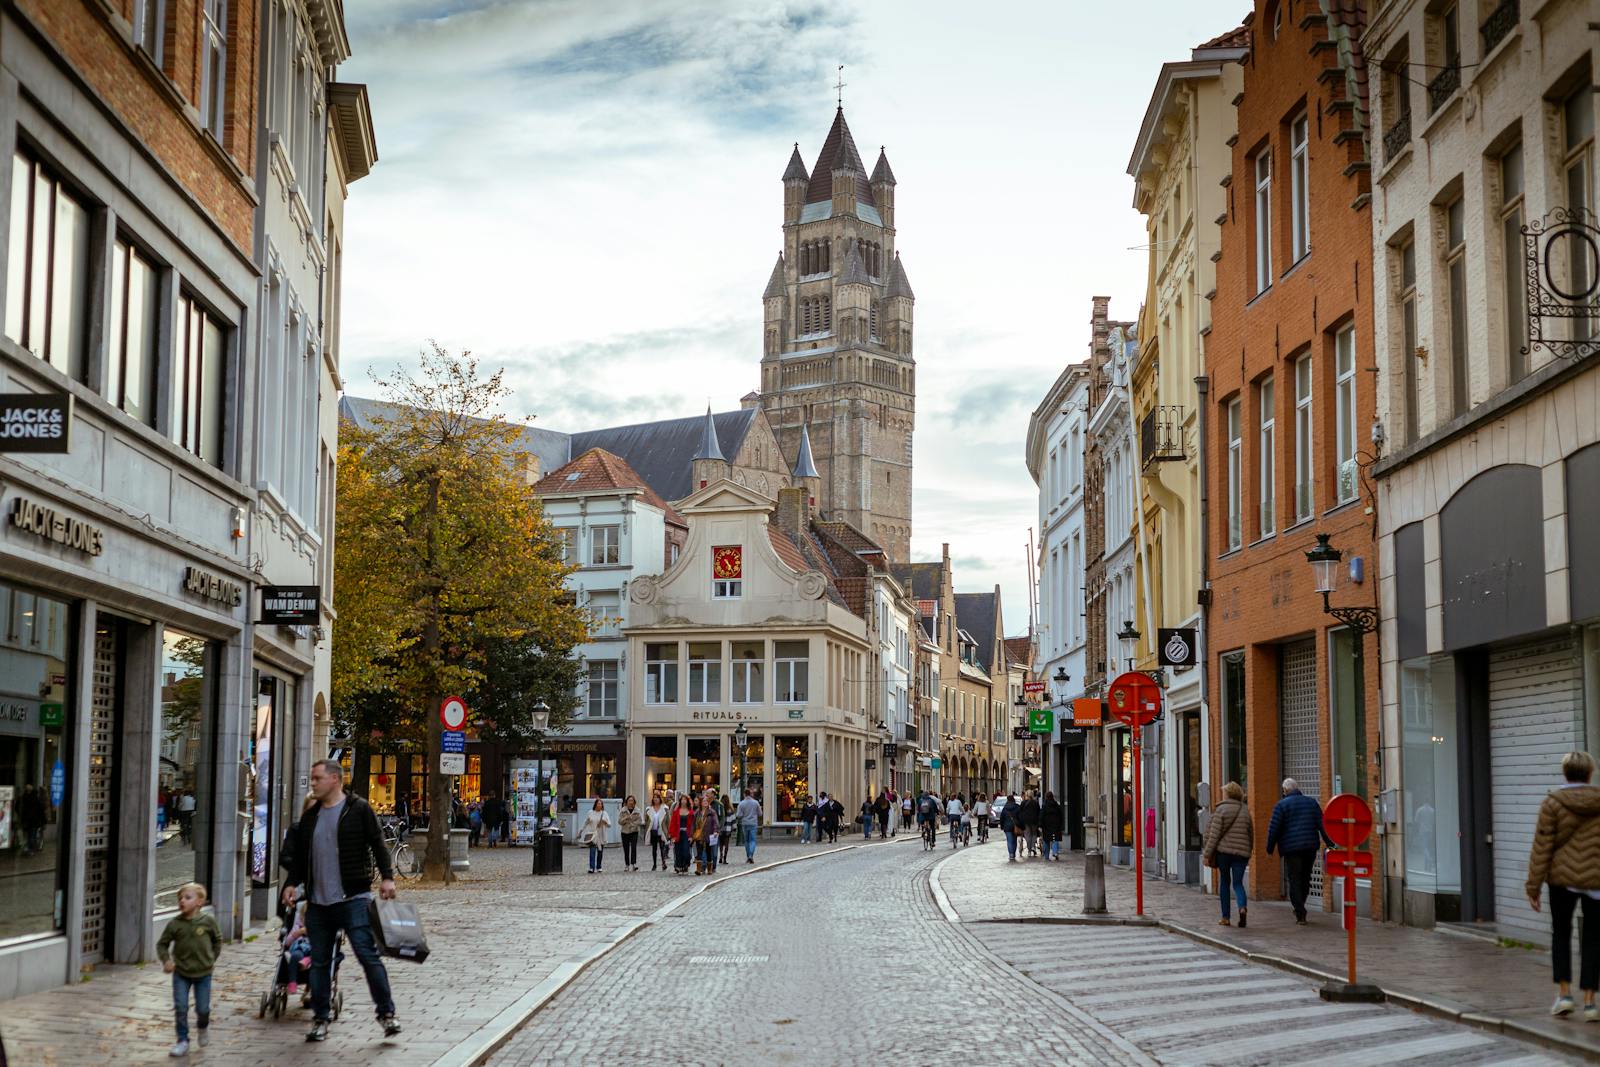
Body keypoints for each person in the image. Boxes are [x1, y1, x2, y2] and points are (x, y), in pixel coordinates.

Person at [281, 758, 400, 1043]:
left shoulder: (358, 810)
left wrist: (387, 876)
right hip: (318, 905)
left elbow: (378, 843)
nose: (313, 783)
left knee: (367, 956)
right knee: (320, 963)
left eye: (317, 778)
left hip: (354, 899)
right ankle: (320, 1019)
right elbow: (301, 860)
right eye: (312, 779)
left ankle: (387, 1014)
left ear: (335, 779)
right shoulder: (310, 818)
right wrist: (291, 884)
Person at [1526, 750, 1600, 1020]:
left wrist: (1533, 886)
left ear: (1565, 773)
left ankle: (1565, 995)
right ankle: (1591, 1001)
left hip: (1562, 881)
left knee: (1561, 934)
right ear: (1590, 773)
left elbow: (1542, 847)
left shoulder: (1552, 804)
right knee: (1593, 939)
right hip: (1595, 880)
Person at [157, 881, 221, 1057]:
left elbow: (217, 941)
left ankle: (202, 1027)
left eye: (187, 897)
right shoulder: (175, 924)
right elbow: (162, 944)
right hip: (181, 973)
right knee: (180, 1006)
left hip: (203, 974)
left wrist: (211, 959)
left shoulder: (208, 922)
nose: (182, 901)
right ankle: (182, 1040)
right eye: (180, 898)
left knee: (203, 1009)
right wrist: (166, 961)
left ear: (199, 902)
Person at [1266, 777, 1334, 925]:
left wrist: (1270, 848)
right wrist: (1330, 844)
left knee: (1295, 879)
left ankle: (1300, 912)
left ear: (1285, 791)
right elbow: (1322, 825)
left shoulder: (1281, 805)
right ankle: (1300, 904)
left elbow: (1274, 828)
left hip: (1291, 849)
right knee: (1306, 877)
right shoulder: (1311, 803)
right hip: (1310, 847)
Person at [1201, 781, 1254, 928]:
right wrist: (1248, 851)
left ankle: (1226, 917)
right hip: (1241, 854)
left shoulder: (1221, 810)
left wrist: (1207, 854)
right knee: (1238, 883)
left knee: (1224, 882)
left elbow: (1213, 835)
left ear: (1228, 794)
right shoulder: (1245, 810)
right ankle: (1242, 907)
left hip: (1224, 853)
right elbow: (1251, 834)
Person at [579, 798, 612, 874]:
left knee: (600, 851)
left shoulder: (604, 813)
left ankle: (599, 866)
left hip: (601, 834)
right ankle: (591, 867)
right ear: (595, 804)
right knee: (592, 851)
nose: (599, 805)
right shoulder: (590, 812)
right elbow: (585, 822)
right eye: (598, 803)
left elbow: (609, 825)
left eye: (601, 804)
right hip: (593, 834)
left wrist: (605, 822)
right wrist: (581, 831)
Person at [668, 794, 695, 875]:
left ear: (687, 801)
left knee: (686, 851)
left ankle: (686, 865)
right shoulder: (676, 812)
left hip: (687, 834)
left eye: (685, 799)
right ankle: (680, 867)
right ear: (680, 801)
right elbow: (672, 824)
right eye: (682, 799)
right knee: (678, 851)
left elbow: (693, 825)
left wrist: (691, 836)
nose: (683, 801)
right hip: (678, 833)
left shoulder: (691, 812)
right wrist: (672, 836)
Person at [694, 794, 720, 875]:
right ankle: (699, 869)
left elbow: (716, 822)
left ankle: (709, 869)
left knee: (709, 852)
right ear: (701, 803)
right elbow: (693, 823)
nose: (705, 802)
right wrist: (692, 833)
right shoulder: (697, 812)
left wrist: (716, 831)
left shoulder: (712, 812)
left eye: (706, 801)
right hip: (699, 835)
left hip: (709, 834)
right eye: (703, 801)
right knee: (699, 852)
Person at [617, 795, 643, 872]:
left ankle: (634, 863)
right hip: (625, 832)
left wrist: (633, 825)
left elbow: (640, 821)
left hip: (634, 831)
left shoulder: (637, 810)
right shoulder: (623, 810)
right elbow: (620, 821)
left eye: (632, 801)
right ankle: (627, 864)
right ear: (627, 802)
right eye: (629, 800)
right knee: (626, 849)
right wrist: (626, 818)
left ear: (634, 802)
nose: (630, 802)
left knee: (634, 848)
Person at [736, 790, 762, 864]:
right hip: (753, 823)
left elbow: (738, 815)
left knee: (746, 841)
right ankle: (751, 855)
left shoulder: (741, 803)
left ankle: (748, 856)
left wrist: (744, 815)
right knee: (753, 840)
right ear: (751, 794)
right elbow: (760, 813)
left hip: (745, 823)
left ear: (744, 794)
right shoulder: (756, 803)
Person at [645, 794, 669, 871]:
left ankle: (663, 863)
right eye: (654, 798)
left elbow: (668, 820)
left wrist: (668, 831)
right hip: (653, 830)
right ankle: (654, 864)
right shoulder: (649, 809)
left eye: (657, 798)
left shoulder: (664, 809)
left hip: (661, 830)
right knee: (654, 848)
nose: (655, 799)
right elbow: (646, 820)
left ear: (660, 799)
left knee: (662, 847)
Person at [1041, 791, 1065, 861]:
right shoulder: (1056, 805)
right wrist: (1061, 825)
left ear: (1046, 797)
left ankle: (1046, 857)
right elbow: (1061, 815)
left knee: (1046, 841)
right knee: (1055, 839)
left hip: (1046, 826)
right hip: (1055, 826)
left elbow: (1041, 816)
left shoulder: (1044, 806)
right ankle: (1055, 852)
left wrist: (1040, 825)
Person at [1019, 790, 1042, 857]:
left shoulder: (1023, 803)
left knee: (1027, 835)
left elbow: (1020, 812)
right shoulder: (1036, 802)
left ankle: (1029, 850)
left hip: (1026, 821)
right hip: (1034, 821)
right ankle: (1033, 847)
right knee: (1034, 834)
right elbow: (1038, 812)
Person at [1000, 793, 1022, 862]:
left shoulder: (1005, 808)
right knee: (1014, 840)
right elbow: (1020, 817)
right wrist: (1021, 825)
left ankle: (1011, 854)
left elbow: (1002, 817)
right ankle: (1014, 853)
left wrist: (1002, 826)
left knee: (1009, 840)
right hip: (1015, 825)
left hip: (1007, 827)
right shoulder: (1017, 807)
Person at [719, 795, 735, 865]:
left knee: (721, 844)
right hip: (728, 829)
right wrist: (734, 828)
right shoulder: (730, 809)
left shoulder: (720, 809)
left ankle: (720, 856)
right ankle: (725, 858)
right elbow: (733, 819)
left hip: (721, 829)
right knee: (726, 844)